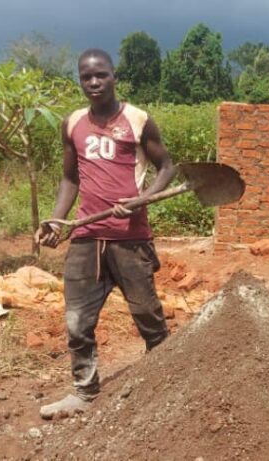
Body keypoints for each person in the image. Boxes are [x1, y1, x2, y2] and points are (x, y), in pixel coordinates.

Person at [33, 48, 175, 420]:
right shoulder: (72, 123)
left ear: (114, 76)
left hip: (131, 237)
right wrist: (56, 221)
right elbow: (69, 178)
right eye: (86, 77)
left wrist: (143, 199)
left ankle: (168, 383)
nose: (94, 83)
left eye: (101, 75)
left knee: (148, 315)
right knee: (77, 322)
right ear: (80, 81)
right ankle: (84, 391)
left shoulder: (138, 119)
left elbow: (167, 167)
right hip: (86, 237)